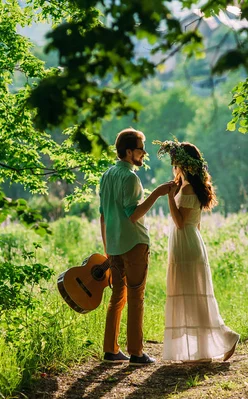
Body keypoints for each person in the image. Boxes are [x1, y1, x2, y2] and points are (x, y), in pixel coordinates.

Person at [155, 140, 240, 363]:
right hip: (188, 243)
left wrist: (168, 198)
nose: (173, 164)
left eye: (176, 160)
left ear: (184, 162)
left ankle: (226, 337)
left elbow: (181, 222)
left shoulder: (188, 188)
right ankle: (199, 350)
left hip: (187, 242)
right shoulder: (185, 185)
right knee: (190, 298)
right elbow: (192, 223)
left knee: (195, 298)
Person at [100, 128, 176, 366]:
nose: (144, 153)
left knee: (116, 297)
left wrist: (107, 247)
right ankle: (136, 352)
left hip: (114, 245)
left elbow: (103, 216)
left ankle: (111, 350)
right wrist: (158, 193)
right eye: (141, 148)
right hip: (134, 243)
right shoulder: (131, 178)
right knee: (136, 297)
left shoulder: (106, 175)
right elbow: (133, 215)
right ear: (129, 151)